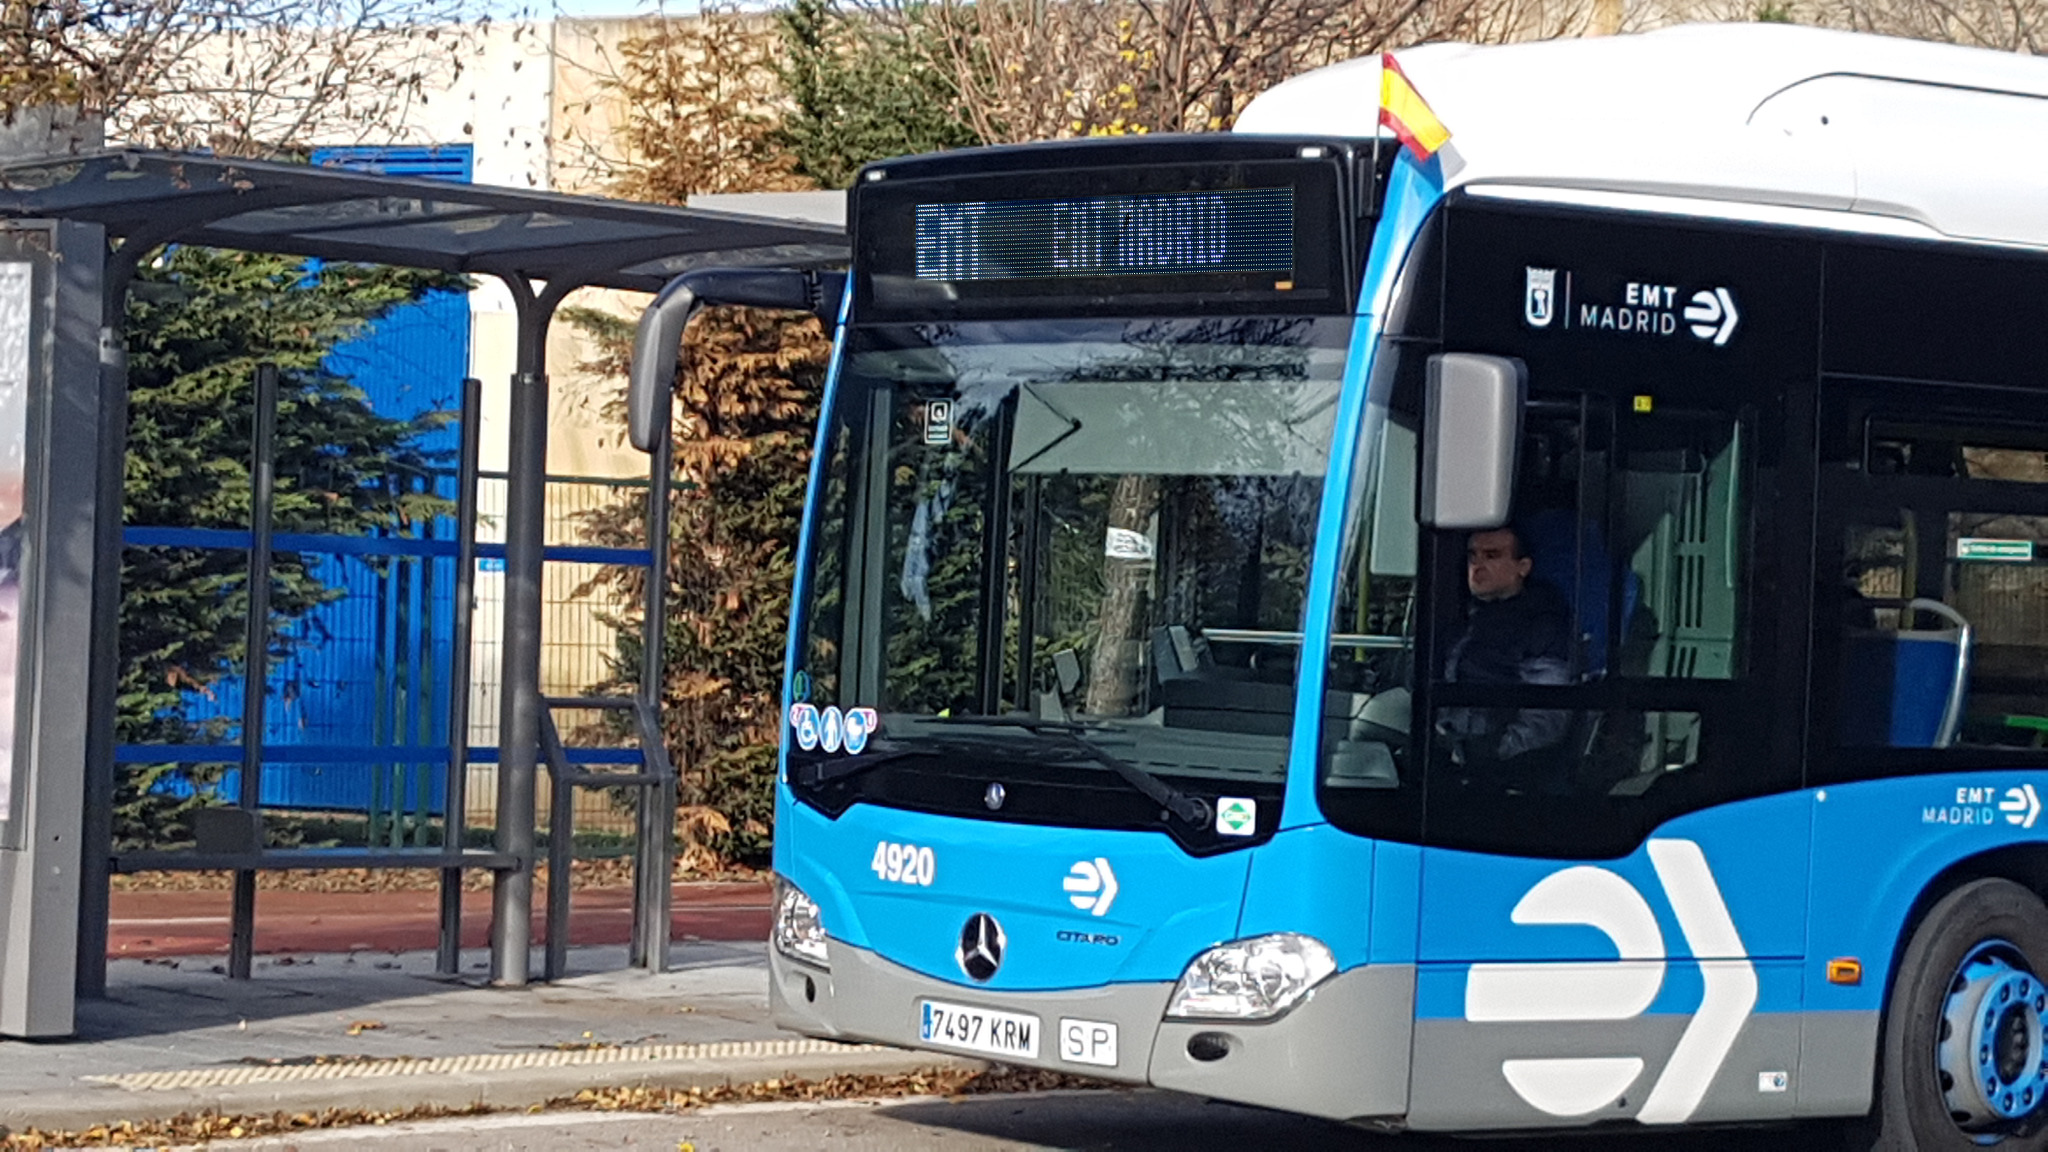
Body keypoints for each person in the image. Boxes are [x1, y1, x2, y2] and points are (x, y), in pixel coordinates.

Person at [1440, 525, 1574, 780]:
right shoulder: (1462, 620)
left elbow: (1549, 710)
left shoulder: (1542, 625)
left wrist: (1494, 752)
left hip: (1500, 772)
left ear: (1522, 567)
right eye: (1472, 556)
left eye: (1492, 556)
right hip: (1446, 751)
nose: (1477, 566)